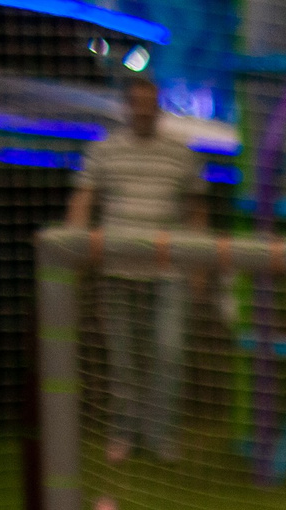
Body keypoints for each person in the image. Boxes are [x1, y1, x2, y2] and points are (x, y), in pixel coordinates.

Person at [66, 77, 206, 465]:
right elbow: (83, 201)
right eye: (137, 103)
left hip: (169, 274)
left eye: (151, 103)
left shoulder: (181, 154)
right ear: (127, 107)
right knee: (123, 359)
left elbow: (197, 212)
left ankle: (160, 436)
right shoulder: (103, 151)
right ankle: (123, 433)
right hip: (117, 273)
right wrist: (75, 248)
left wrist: (198, 268)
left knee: (169, 353)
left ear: (158, 107)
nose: (144, 109)